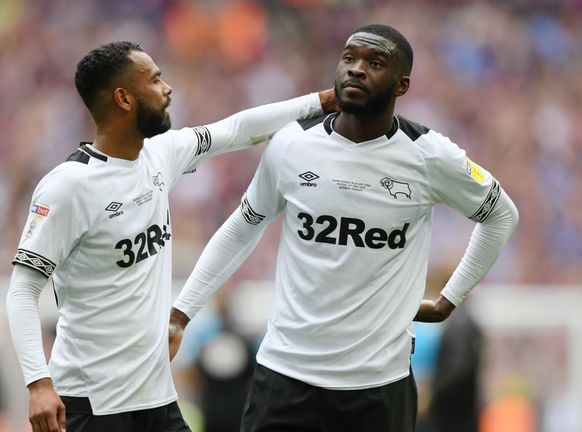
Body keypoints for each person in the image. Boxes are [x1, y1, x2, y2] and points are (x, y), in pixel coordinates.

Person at [169, 24, 519, 432]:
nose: (356, 69)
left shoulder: (430, 156)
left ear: (401, 85)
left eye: (375, 63)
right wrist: (181, 312)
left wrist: (449, 299)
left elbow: (501, 215)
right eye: (349, 58)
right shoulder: (292, 144)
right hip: (285, 375)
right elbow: (243, 226)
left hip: (377, 387)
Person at [6, 41, 335, 432]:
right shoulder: (68, 187)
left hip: (157, 401)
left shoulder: (161, 153)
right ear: (124, 98)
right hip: (92, 406)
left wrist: (321, 102)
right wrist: (38, 382)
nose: (168, 89)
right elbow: (23, 291)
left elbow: (234, 130)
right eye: (156, 79)